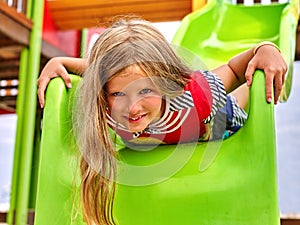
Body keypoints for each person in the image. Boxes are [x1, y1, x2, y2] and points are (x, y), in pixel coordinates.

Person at [37, 18, 287, 225]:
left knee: (231, 103)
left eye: (145, 91)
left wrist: (265, 49)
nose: (132, 107)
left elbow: (233, 70)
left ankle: (243, 96)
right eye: (118, 94)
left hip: (214, 122)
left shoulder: (197, 96)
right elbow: (95, 70)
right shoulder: (108, 104)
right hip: (165, 136)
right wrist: (59, 62)